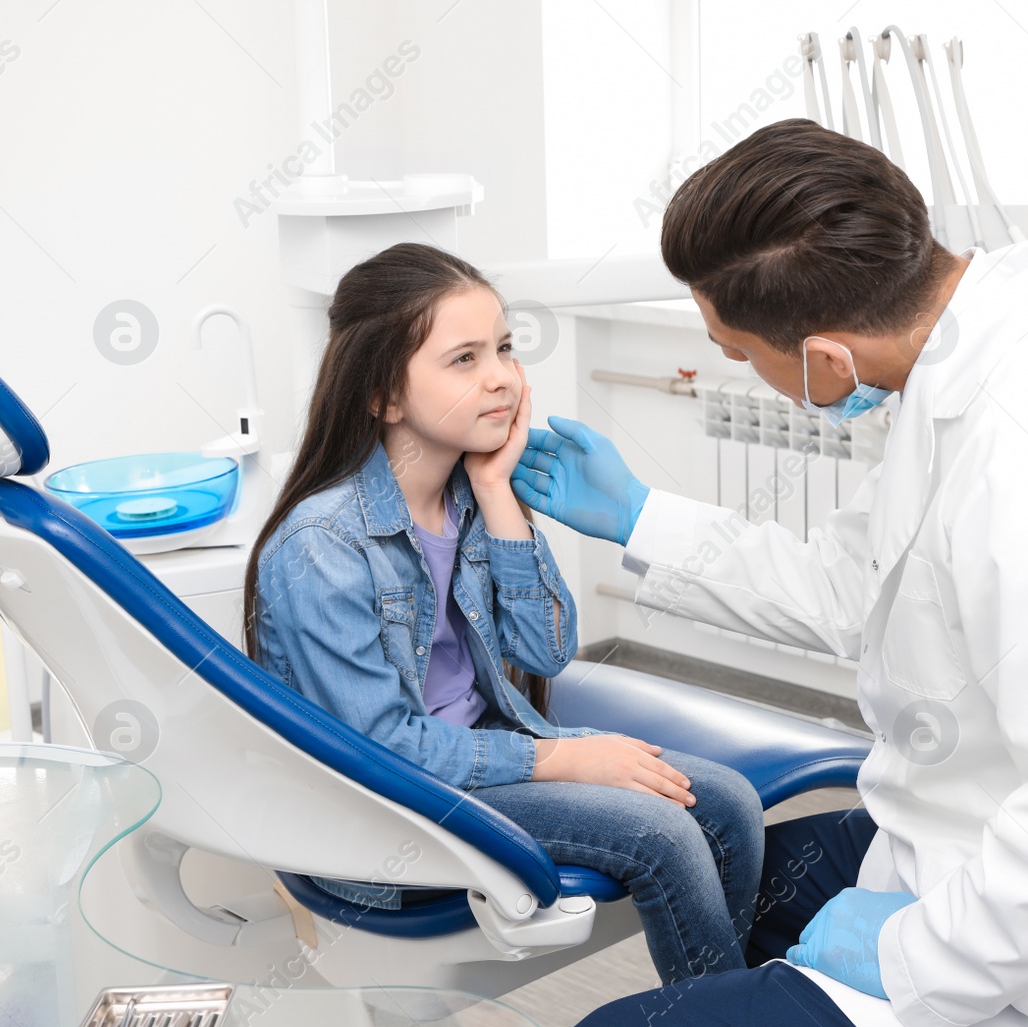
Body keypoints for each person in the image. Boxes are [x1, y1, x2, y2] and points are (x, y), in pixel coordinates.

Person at [514, 120, 1028, 1027]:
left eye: (735, 349)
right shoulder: (956, 373)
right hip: (972, 822)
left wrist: (910, 957)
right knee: (736, 887)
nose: (735, 364)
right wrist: (642, 519)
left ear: (827, 359)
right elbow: (853, 589)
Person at [243, 242, 764, 986]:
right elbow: (382, 750)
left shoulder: (468, 494)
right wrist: (564, 757)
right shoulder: (321, 546)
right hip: (391, 812)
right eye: (464, 359)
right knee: (666, 836)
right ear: (385, 396)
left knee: (732, 804)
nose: (500, 378)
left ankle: (734, 1023)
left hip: (483, 758)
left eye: (504, 348)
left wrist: (496, 494)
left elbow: (547, 650)